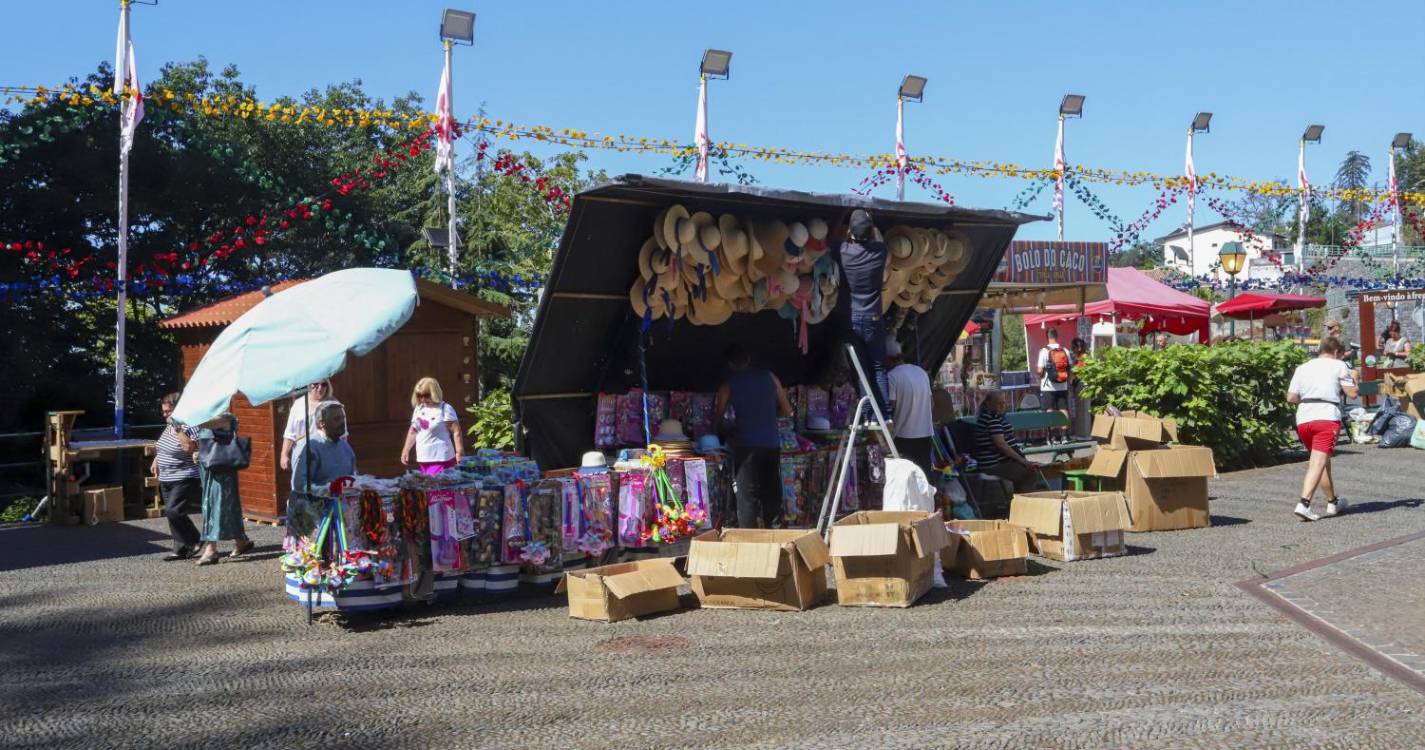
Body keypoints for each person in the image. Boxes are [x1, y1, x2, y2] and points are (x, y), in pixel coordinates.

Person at [714, 344, 793, 528]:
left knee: (746, 496)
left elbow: (718, 418)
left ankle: (748, 540)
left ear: (730, 364)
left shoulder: (728, 385)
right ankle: (775, 535)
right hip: (770, 443)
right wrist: (769, 415)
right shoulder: (770, 377)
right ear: (748, 359)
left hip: (745, 445)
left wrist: (719, 435)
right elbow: (788, 411)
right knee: (771, 493)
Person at [1286, 336, 1358, 522]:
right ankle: (1304, 503)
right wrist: (1355, 378)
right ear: (1336, 353)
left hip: (1304, 418)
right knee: (1318, 462)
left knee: (1321, 462)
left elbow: (1291, 397)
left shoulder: (1302, 368)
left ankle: (1333, 501)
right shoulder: (1339, 366)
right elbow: (1352, 392)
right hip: (1326, 415)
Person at [832, 209, 890, 416]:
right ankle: (884, 414)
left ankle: (866, 414)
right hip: (874, 318)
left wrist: (842, 215)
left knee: (860, 370)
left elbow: (832, 237)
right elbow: (875, 239)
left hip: (851, 319)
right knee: (878, 368)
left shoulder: (842, 251)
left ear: (850, 231)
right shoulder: (880, 251)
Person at [194, 414, 253, 565]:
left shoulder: (224, 417)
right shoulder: (208, 418)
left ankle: (211, 550)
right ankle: (241, 541)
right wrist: (198, 451)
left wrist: (186, 419)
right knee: (227, 506)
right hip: (209, 467)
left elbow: (209, 424)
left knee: (214, 505)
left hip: (222, 469)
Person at [152, 392, 201, 561]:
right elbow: (165, 446)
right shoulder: (168, 426)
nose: (165, 415)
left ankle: (194, 539)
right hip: (166, 477)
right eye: (164, 411)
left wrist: (179, 428)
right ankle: (180, 548)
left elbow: (190, 448)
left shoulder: (188, 425)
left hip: (184, 476)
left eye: (168, 412)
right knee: (171, 515)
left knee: (174, 511)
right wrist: (157, 460)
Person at [885, 340, 935, 481]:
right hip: (925, 434)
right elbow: (931, 403)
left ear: (888, 359)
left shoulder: (892, 376)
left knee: (906, 480)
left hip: (904, 436)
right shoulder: (921, 372)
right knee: (924, 477)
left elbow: (891, 405)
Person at [972, 391, 1040, 493]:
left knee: (1028, 469)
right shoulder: (991, 418)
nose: (1002, 406)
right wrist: (1023, 461)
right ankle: (1023, 503)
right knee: (1029, 473)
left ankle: (1019, 500)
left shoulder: (993, 416)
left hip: (1000, 461)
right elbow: (1001, 445)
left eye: (1003, 403)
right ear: (988, 403)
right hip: (994, 464)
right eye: (998, 403)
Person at [400, 377, 464, 474]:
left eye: (426, 395)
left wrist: (459, 452)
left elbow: (456, 431)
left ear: (435, 393)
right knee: (429, 486)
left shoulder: (445, 409)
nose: (423, 399)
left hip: (441, 458)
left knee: (439, 487)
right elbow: (413, 431)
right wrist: (406, 449)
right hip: (423, 457)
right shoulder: (419, 409)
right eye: (420, 396)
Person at [280, 380, 346, 471]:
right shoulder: (298, 404)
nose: (320, 388)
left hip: (328, 454)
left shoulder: (334, 405)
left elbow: (343, 434)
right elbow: (289, 434)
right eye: (315, 384)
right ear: (308, 385)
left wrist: (343, 455)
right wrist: (284, 455)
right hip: (303, 454)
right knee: (302, 483)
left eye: (323, 385)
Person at [291, 401, 358, 491]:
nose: (342, 422)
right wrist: (328, 490)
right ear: (322, 423)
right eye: (337, 419)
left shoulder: (346, 447)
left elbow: (354, 478)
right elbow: (299, 485)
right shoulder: (308, 447)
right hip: (314, 503)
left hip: (343, 502)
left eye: (343, 418)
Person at [1034, 328, 1074, 444]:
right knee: (1063, 409)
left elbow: (1040, 370)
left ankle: (1051, 437)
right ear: (1057, 336)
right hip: (1063, 385)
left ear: (1047, 337)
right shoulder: (1065, 350)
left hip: (1048, 387)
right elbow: (1070, 368)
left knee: (1050, 410)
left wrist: (1040, 374)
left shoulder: (1044, 351)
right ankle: (1065, 436)